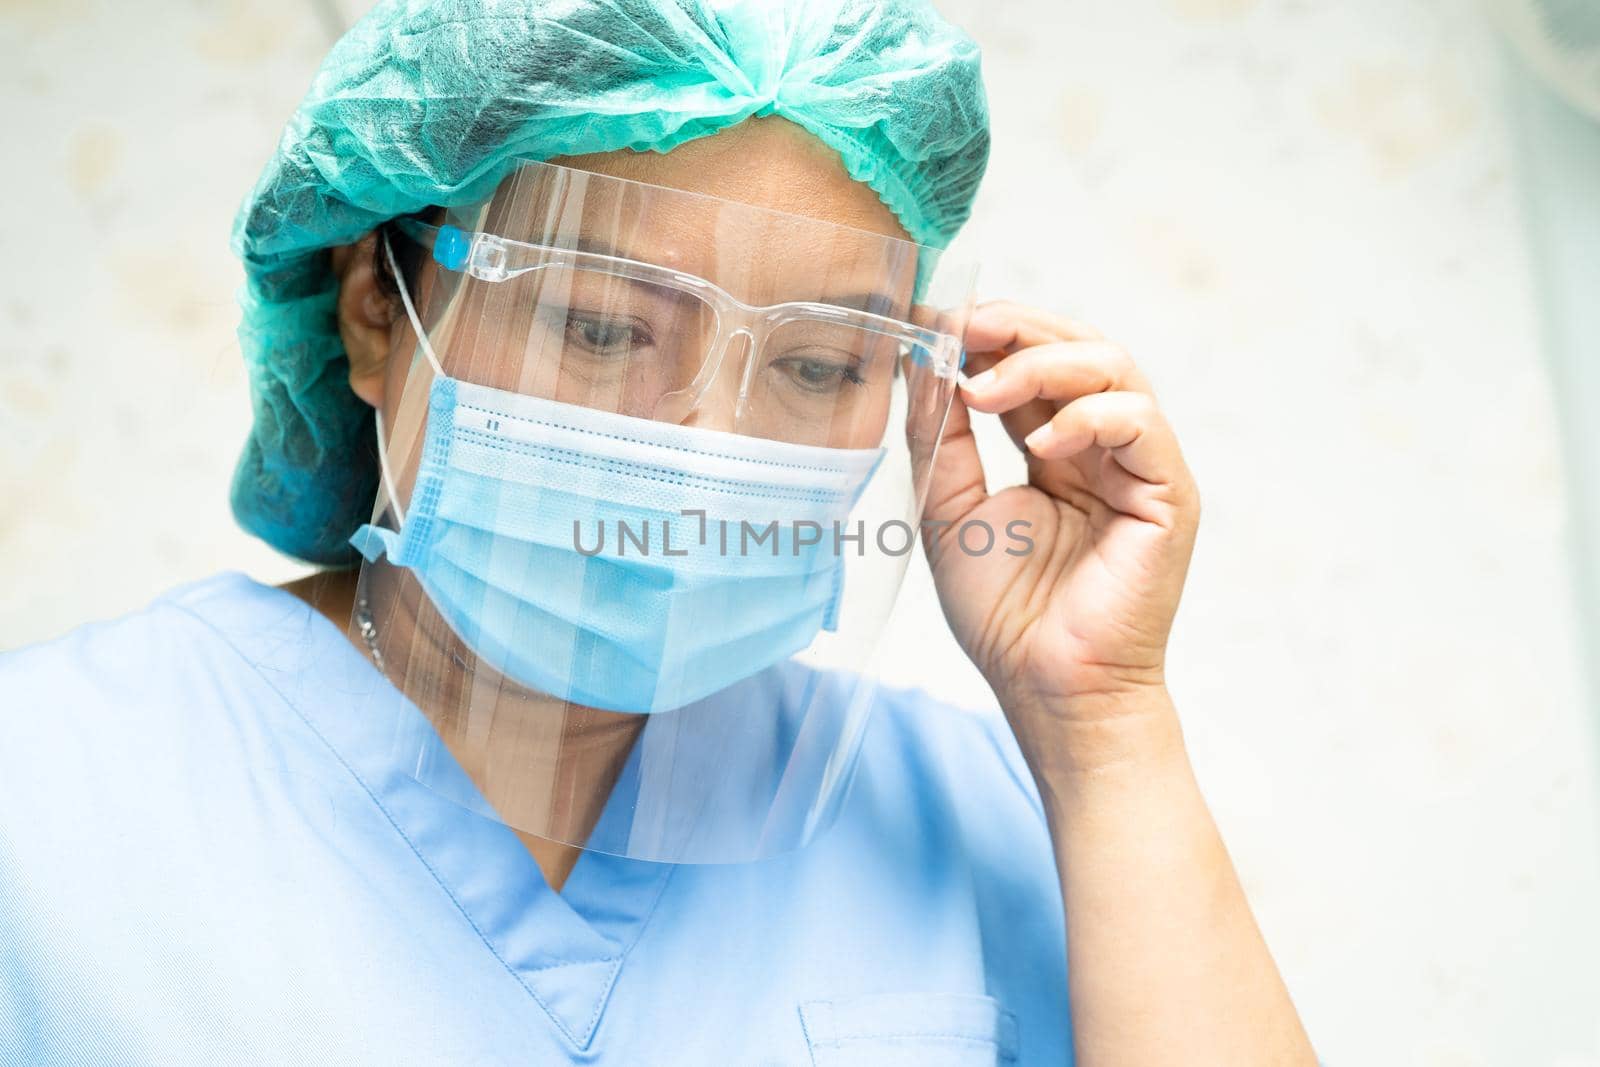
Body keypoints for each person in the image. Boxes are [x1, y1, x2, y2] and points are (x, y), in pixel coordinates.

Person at [0, 2, 1317, 1064]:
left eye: (814, 364)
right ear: (375, 313)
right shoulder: (50, 790)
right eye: (598, 325)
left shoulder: (975, 807)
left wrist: (1103, 722)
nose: (703, 444)